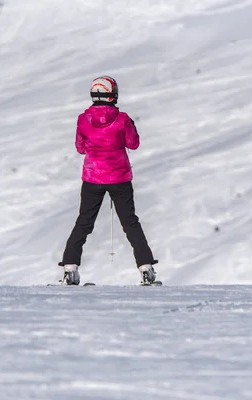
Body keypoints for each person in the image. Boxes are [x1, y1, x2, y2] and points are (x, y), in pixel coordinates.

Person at [58, 76, 158, 285]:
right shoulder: (122, 119)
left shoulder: (83, 119)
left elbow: (80, 148)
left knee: (84, 222)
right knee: (130, 222)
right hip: (119, 177)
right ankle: (146, 269)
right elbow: (133, 144)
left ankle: (69, 268)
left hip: (92, 177)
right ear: (113, 94)